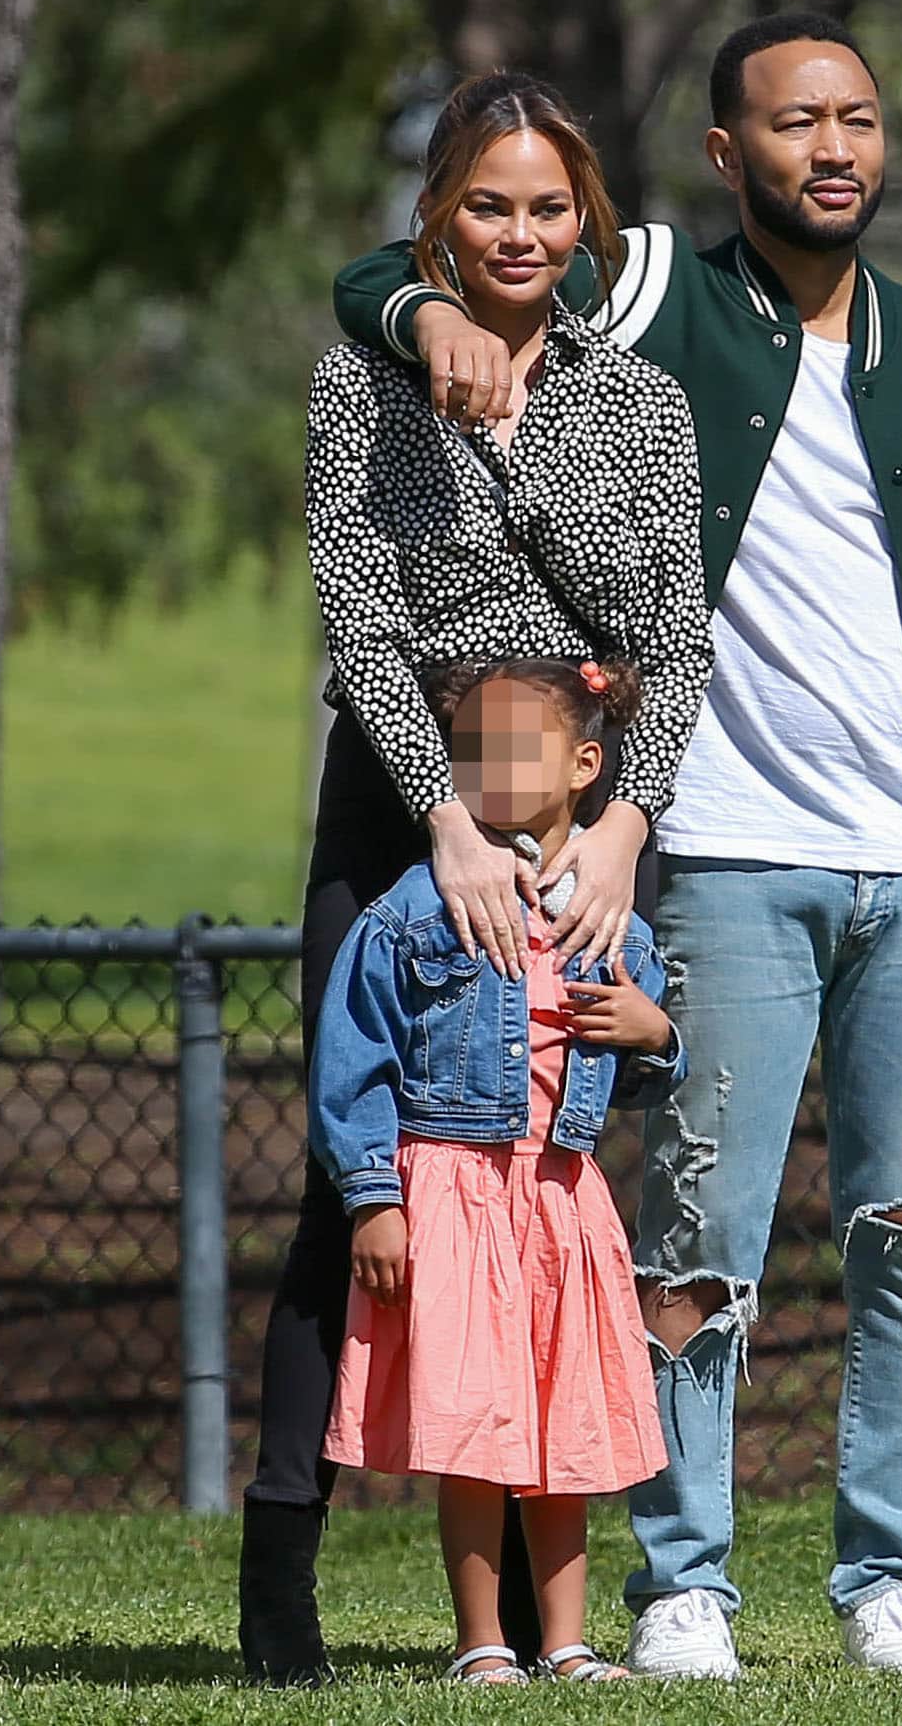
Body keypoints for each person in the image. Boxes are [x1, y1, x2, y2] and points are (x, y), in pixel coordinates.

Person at [334, 12, 902, 1678]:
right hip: (728, 853)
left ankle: (883, 1571)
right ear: (723, 153)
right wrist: (420, 316)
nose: (830, 149)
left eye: (855, 120)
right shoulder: (654, 301)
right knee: (701, 1238)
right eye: (791, 124)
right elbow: (385, 280)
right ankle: (683, 1576)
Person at [238, 72, 711, 1686]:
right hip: (400, 809)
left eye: (548, 207)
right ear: (438, 215)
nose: (519, 234)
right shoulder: (357, 386)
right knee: (353, 1176)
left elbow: (672, 635)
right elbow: (361, 620)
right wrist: (439, 813)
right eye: (488, 205)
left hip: (586, 813)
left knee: (541, 1173)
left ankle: (522, 1618)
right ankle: (281, 1572)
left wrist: (620, 828)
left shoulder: (638, 402)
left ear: (587, 222)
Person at [309, 658, 684, 1685]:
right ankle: (482, 1642)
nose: (490, 766)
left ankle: (565, 1640)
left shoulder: (614, 923)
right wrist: (373, 1198)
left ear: (585, 764)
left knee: (563, 1424)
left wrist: (654, 1033)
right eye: (470, 748)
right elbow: (354, 1060)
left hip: (563, 1199)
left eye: (516, 746)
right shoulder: (412, 910)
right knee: (471, 1425)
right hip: (452, 1192)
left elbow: (648, 1068)